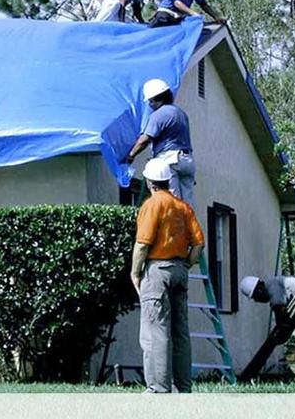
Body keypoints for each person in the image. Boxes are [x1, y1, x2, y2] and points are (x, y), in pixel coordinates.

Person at [131, 158, 205, 393]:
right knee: (180, 331)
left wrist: (135, 274)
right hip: (179, 271)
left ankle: (158, 388)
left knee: (156, 330)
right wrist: (186, 265)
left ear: (151, 181)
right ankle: (183, 387)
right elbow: (199, 245)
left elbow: (142, 245)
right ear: (167, 181)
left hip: (157, 271)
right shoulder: (183, 207)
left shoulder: (152, 205)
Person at [124, 78, 195, 206]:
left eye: (150, 101)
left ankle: (174, 226)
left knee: (171, 203)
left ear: (156, 98)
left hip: (170, 160)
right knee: (187, 205)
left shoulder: (159, 115)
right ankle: (188, 226)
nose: (150, 105)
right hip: (187, 160)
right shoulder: (181, 113)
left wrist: (131, 155)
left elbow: (145, 139)